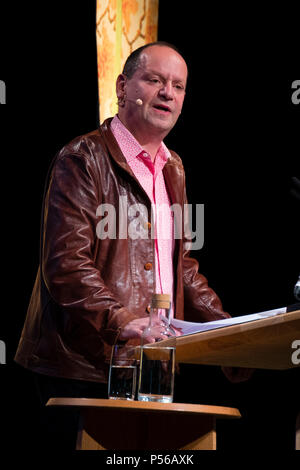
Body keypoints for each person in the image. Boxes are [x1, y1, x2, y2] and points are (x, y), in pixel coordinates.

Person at [14, 42, 251, 449]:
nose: (167, 93)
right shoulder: (82, 157)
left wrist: (225, 334)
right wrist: (122, 320)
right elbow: (66, 265)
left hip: (152, 368)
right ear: (123, 87)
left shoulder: (173, 167)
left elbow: (181, 266)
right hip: (83, 366)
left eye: (178, 86)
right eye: (155, 80)